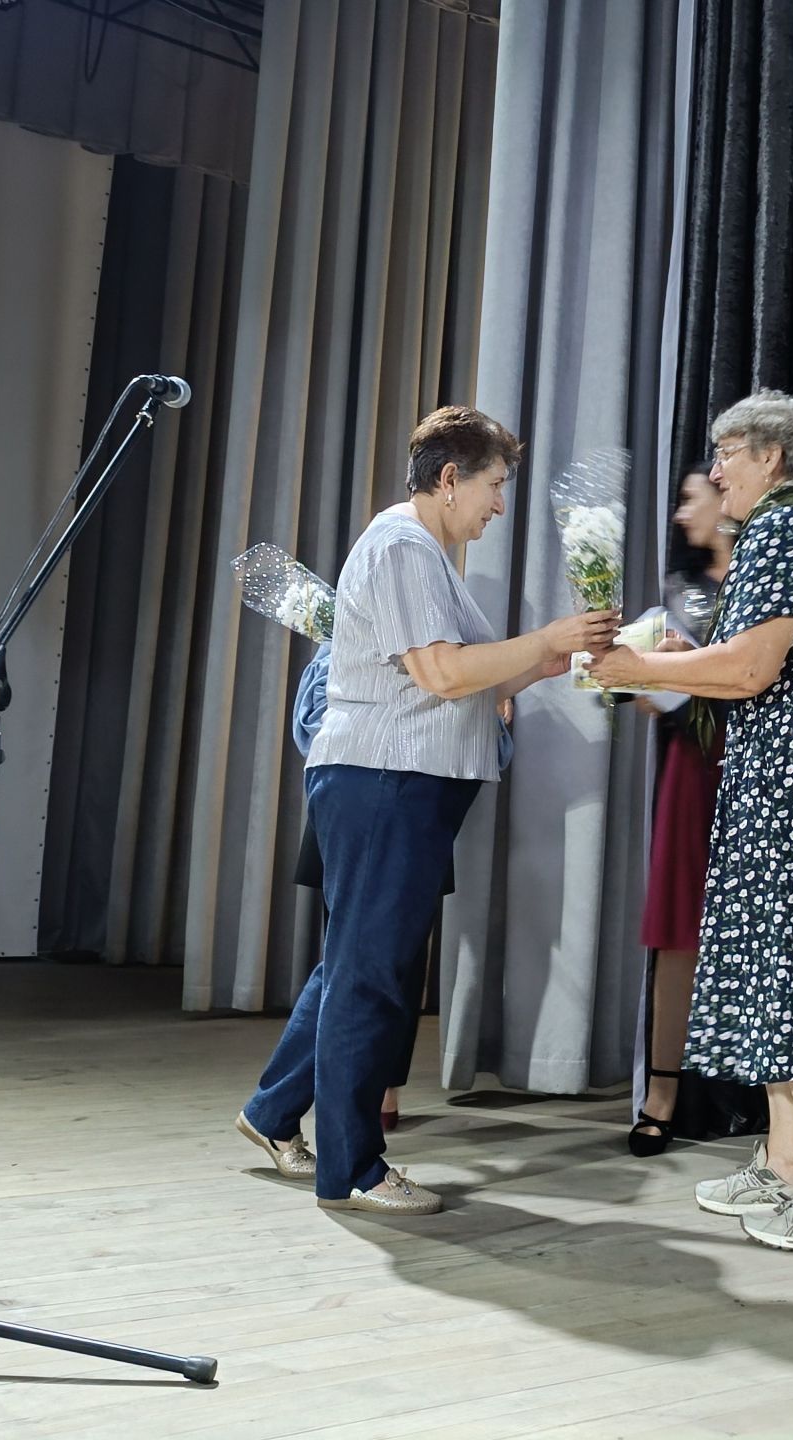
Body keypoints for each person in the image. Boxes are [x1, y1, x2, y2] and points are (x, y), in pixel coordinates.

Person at [236, 405, 617, 1215]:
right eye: (494, 485)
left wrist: (550, 660)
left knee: (354, 967)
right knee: (371, 979)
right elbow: (443, 675)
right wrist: (547, 637)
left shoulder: (423, 555)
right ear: (450, 479)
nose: (500, 505)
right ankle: (354, 1169)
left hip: (397, 784)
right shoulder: (404, 548)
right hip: (387, 783)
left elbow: (469, 677)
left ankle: (271, 1113)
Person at [586, 390, 793, 1255]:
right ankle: (788, 1167)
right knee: (780, 977)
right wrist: (678, 662)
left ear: (771, 457)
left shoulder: (782, 533)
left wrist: (639, 666)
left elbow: (751, 670)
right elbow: (752, 664)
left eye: (727, 452)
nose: (716, 469)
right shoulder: (787, 532)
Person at [289, 646, 511, 1132]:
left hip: (417, 809)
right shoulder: (349, 638)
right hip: (364, 800)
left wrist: (487, 706)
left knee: (387, 965)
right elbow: (311, 724)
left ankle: (322, 1103)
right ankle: (312, 1117)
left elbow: (490, 745)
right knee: (354, 965)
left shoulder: (452, 637)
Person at [627, 462, 749, 1156]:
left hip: (759, 764)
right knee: (679, 931)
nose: (680, 514)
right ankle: (662, 1094)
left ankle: (779, 1095)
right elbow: (649, 695)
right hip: (692, 766)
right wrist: (645, 675)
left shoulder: (767, 579)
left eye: (690, 499)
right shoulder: (681, 593)